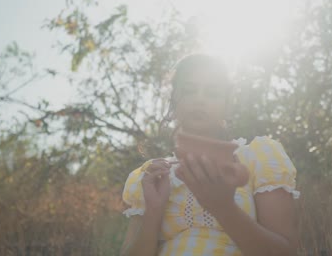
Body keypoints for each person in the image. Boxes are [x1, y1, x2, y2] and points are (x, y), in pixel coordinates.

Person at [120, 54, 300, 256]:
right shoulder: (151, 176)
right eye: (189, 91)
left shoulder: (258, 157)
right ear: (174, 100)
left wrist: (223, 207)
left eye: (212, 93)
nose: (200, 99)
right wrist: (152, 213)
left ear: (227, 104)